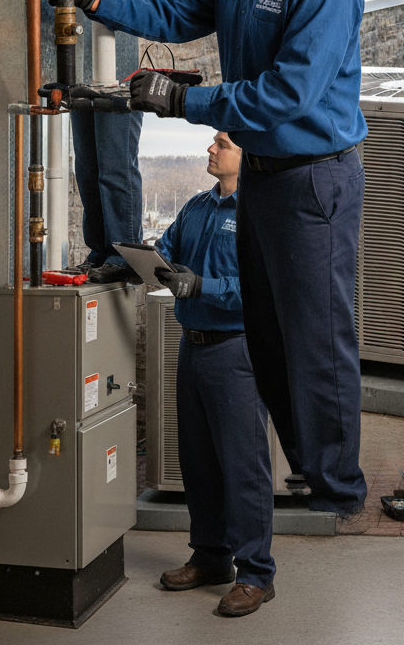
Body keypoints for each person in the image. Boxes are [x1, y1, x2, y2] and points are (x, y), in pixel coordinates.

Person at [44, 0, 368, 531]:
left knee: (316, 339)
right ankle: (309, 471)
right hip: (262, 179)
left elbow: (288, 97)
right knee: (271, 336)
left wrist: (183, 102)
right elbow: (171, 11)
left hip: (315, 183)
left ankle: (339, 491)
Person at [152, 132, 275, 618]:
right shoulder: (196, 208)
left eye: (221, 144)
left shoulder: (259, 214)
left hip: (237, 352)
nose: (210, 150)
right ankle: (210, 557)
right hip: (194, 347)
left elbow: (262, 288)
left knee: (243, 467)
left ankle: (257, 575)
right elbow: (166, 249)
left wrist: (201, 284)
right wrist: (150, 263)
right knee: (198, 461)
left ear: (247, 156)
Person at [68, 108, 145, 284]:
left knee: (115, 167)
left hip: (117, 85)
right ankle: (100, 253)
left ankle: (124, 257)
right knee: (87, 172)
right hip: (83, 85)